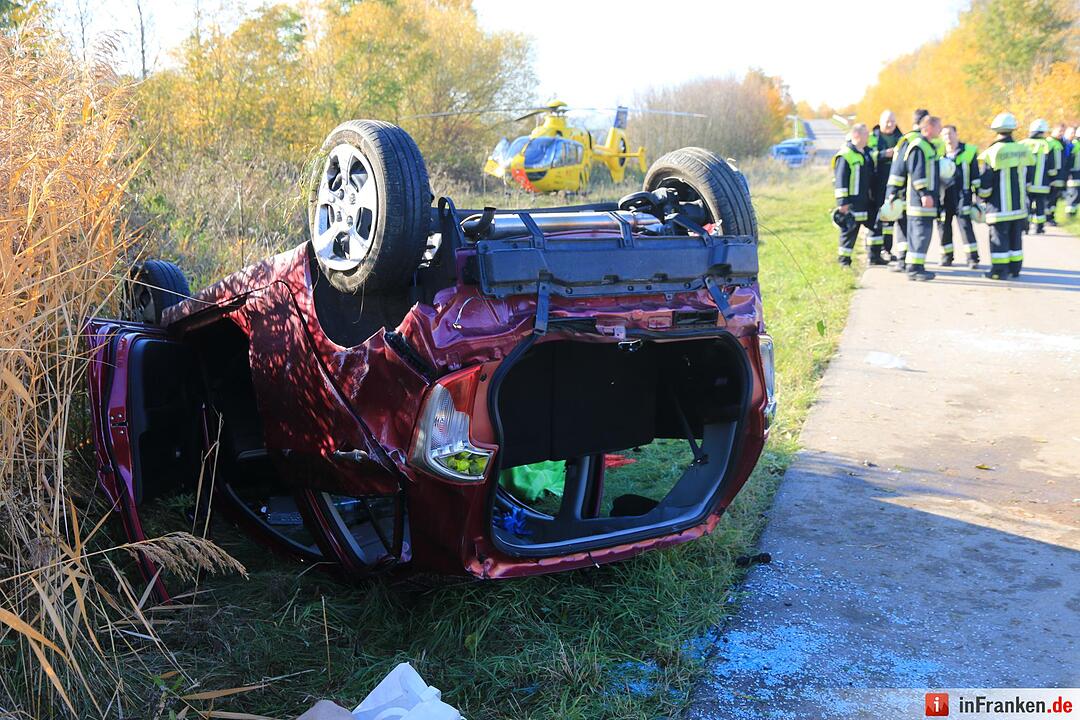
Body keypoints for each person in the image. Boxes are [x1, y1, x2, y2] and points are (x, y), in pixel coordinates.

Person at [977, 113, 1034, 279]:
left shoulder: (992, 152)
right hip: (1019, 207)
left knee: (999, 239)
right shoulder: (1024, 150)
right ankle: (1014, 269)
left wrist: (982, 197)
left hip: (998, 208)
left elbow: (986, 182)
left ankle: (999, 272)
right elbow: (1028, 179)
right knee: (1016, 239)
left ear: (996, 130)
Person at [898, 114, 942, 280]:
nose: (940, 129)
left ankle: (917, 267)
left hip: (927, 199)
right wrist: (924, 193)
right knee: (920, 234)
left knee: (922, 234)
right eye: (938, 126)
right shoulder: (918, 146)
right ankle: (914, 270)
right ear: (928, 127)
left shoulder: (927, 146)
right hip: (920, 201)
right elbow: (917, 172)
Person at [886, 108, 931, 272]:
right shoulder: (912, 140)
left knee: (907, 227)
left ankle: (905, 260)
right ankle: (903, 261)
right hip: (906, 192)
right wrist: (893, 192)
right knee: (905, 226)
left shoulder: (916, 140)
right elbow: (899, 169)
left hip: (909, 192)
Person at [832, 123, 876, 265]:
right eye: (865, 134)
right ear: (856, 135)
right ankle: (844, 261)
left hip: (864, 200)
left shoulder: (864, 153)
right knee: (849, 231)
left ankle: (874, 256)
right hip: (851, 202)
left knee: (870, 227)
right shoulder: (845, 154)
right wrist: (842, 202)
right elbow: (841, 180)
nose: (868, 137)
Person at [937, 125, 980, 268]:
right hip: (945, 196)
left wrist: (979, 198)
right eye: (944, 135)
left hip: (963, 195)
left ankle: (972, 258)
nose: (947, 137)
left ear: (956, 134)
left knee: (965, 226)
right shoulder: (938, 153)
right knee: (944, 227)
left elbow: (975, 177)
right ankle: (946, 257)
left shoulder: (969, 151)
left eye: (950, 134)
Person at [867, 110, 903, 258]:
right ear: (880, 122)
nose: (890, 125)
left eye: (892, 122)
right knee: (876, 216)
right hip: (876, 182)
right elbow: (867, 155)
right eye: (887, 122)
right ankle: (874, 251)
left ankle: (887, 249)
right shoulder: (872, 138)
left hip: (894, 183)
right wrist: (883, 154)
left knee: (890, 216)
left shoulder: (901, 138)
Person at [1019, 119, 1053, 235]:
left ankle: (1025, 227)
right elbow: (1052, 167)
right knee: (1040, 206)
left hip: (1026, 182)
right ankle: (1039, 228)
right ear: (1042, 132)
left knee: (1026, 204)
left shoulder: (1023, 144)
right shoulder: (1048, 144)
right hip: (1043, 183)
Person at [1046, 123, 1067, 225]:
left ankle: (1051, 217)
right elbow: (1050, 161)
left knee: (1054, 198)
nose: (1061, 133)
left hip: (1059, 176)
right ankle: (1047, 218)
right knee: (1049, 198)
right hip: (1051, 176)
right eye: (1059, 131)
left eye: (1062, 131)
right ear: (1053, 131)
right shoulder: (1049, 142)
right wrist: (1051, 175)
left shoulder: (1060, 143)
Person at [1067, 124, 1080, 217]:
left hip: (1077, 172)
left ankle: (1073, 211)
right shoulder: (1074, 144)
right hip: (1074, 172)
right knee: (1073, 193)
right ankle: (1070, 213)